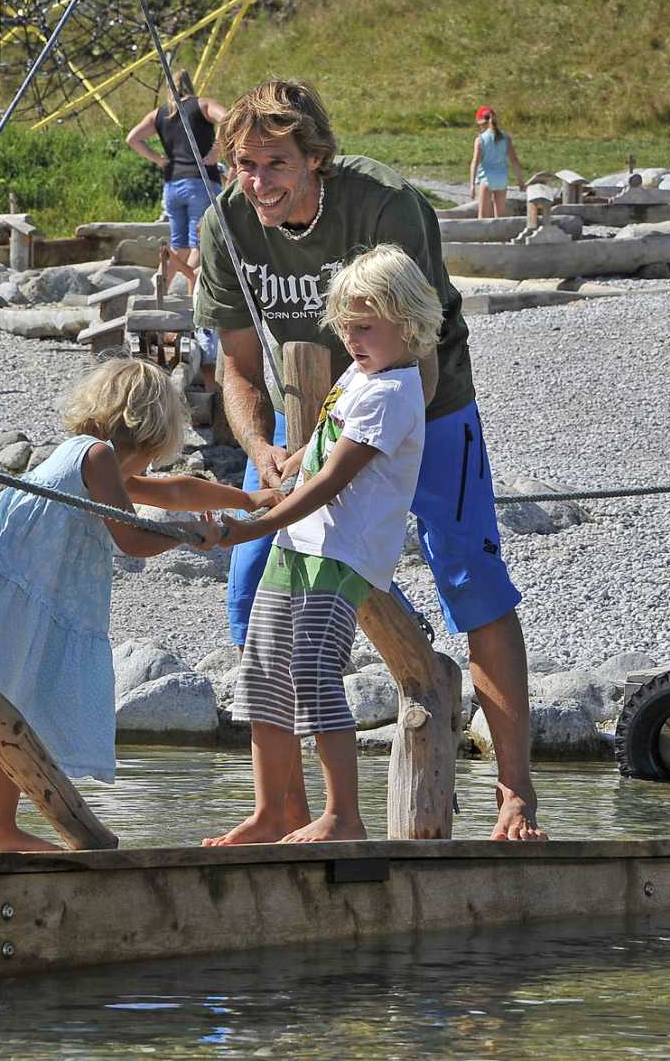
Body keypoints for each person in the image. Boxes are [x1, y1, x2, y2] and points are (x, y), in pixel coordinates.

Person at [194, 78, 546, 841]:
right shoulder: (223, 225)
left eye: (276, 162)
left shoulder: (387, 205)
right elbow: (237, 366)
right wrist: (263, 449)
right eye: (245, 165)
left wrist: (357, 454)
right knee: (254, 588)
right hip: (303, 413)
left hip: (420, 402)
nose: (259, 182)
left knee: (468, 575)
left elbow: (416, 349)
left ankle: (514, 792)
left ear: (315, 156)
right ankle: (280, 807)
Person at [0, 359, 256, 856]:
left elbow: (177, 490)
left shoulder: (99, 462)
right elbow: (131, 541)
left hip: (26, 594)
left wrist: (249, 498)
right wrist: (190, 536)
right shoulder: (95, 458)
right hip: (9, 593)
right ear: (150, 429)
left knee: (12, 713)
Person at [204, 245, 434, 846]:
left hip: (341, 552)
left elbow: (337, 478)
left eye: (365, 329)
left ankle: (343, 816)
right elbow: (321, 447)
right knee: (261, 673)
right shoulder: (361, 375)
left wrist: (253, 525)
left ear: (407, 322)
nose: (352, 341)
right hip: (298, 541)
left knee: (311, 671)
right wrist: (289, 459)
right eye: (347, 329)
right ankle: (271, 812)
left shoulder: (393, 392)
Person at [125, 71, 228, 297]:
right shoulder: (201, 105)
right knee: (200, 244)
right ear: (191, 85)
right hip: (200, 182)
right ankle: (193, 298)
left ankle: (158, 294)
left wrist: (160, 160)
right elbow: (228, 118)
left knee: (178, 246)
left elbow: (132, 138)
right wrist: (216, 150)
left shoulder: (160, 114)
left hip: (172, 185)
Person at [468, 106, 527, 220]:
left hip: (487, 180)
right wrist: (521, 182)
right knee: (500, 217)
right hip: (502, 179)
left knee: (483, 217)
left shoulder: (480, 140)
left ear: (481, 123)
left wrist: (472, 185)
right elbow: (514, 161)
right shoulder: (506, 138)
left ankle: (484, 238)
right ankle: (500, 237)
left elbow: (475, 162)